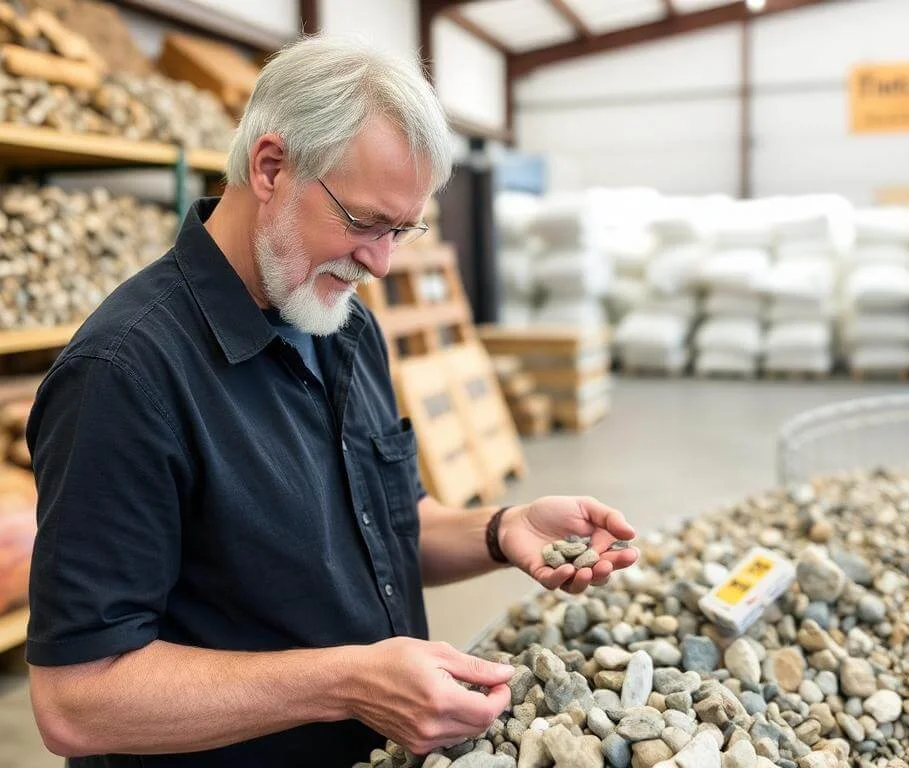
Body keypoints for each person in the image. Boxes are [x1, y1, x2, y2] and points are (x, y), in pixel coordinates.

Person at [25, 36, 638, 768]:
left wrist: (502, 528)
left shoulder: (342, 326)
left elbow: (387, 526)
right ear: (271, 168)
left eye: (402, 231)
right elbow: (77, 703)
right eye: (363, 222)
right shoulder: (124, 375)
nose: (381, 263)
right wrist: (348, 683)